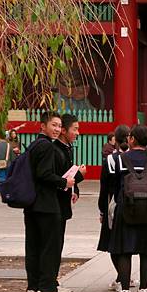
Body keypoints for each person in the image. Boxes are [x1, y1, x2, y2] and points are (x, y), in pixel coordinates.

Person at [24, 111, 75, 292]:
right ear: (42, 126)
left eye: (58, 125)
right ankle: (47, 290)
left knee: (34, 246)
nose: (56, 129)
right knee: (49, 247)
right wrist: (65, 182)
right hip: (47, 204)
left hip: (32, 204)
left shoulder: (33, 145)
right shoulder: (47, 147)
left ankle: (33, 287)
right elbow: (44, 175)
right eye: (53, 125)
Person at [108, 125, 147, 292]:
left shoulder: (120, 159)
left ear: (132, 139)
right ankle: (144, 290)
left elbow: (115, 186)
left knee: (125, 251)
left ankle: (124, 291)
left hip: (126, 209)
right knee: (145, 252)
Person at [98, 125, 131, 292]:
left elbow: (104, 187)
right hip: (135, 205)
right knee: (129, 242)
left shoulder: (111, 160)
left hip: (114, 204)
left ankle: (121, 277)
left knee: (113, 242)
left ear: (115, 141)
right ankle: (126, 277)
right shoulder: (138, 158)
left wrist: (102, 209)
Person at [54, 113, 86, 267]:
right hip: (55, 204)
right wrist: (80, 176)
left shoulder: (67, 148)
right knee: (55, 243)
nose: (77, 133)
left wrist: (75, 189)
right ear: (64, 131)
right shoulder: (55, 150)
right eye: (75, 129)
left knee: (59, 241)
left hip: (63, 201)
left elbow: (68, 173)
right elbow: (59, 178)